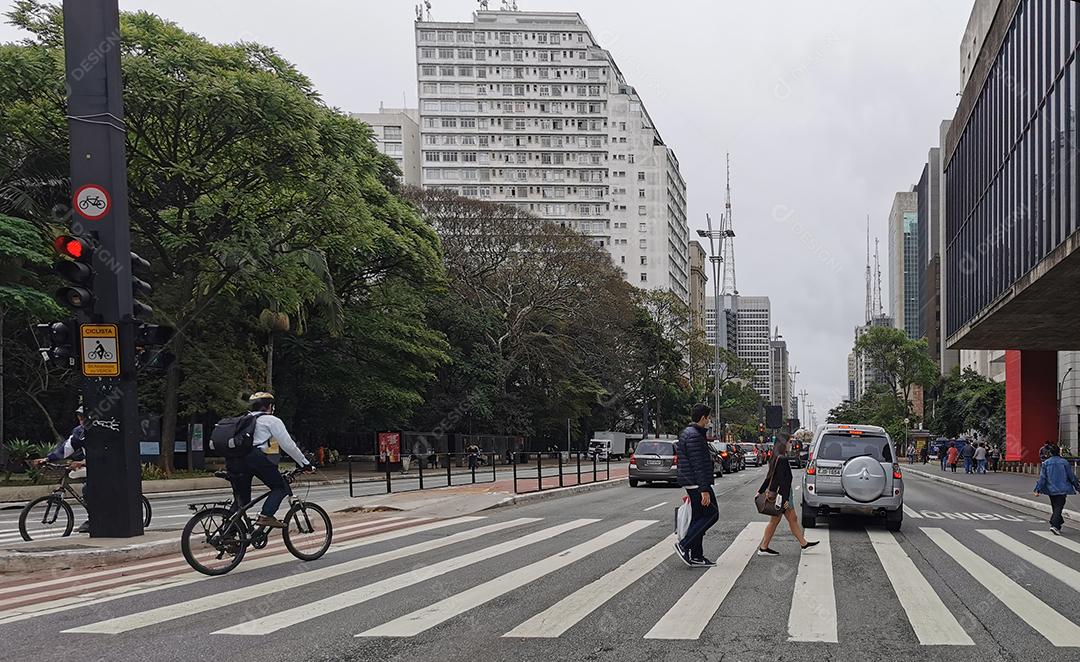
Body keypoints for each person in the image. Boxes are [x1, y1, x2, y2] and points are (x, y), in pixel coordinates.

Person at [226, 392, 313, 529]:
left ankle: (227, 535)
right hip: (254, 457)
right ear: (270, 406)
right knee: (281, 487)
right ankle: (265, 516)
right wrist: (305, 463)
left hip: (233, 459)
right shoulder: (271, 420)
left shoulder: (243, 419)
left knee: (242, 500)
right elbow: (288, 445)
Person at [674, 404, 720, 568]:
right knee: (712, 514)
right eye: (708, 418)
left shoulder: (688, 433)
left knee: (699, 517)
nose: (709, 421)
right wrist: (704, 489)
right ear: (703, 418)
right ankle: (684, 545)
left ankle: (697, 556)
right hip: (696, 483)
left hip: (692, 482)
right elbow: (698, 465)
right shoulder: (695, 436)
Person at [756, 438, 818, 556]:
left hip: (781, 492)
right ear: (783, 444)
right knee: (781, 519)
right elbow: (784, 480)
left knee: (786, 519)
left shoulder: (776, 457)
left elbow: (770, 477)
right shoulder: (782, 459)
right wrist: (783, 499)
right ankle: (764, 547)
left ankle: (802, 544)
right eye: (789, 442)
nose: (791, 445)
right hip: (783, 493)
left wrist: (761, 491)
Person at [32, 407, 90, 532]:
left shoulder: (102, 431)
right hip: (90, 465)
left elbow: (104, 453)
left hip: (107, 465)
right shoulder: (79, 432)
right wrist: (47, 459)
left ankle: (96, 517)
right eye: (79, 418)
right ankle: (93, 517)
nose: (81, 421)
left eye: (83, 418)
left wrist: (82, 462)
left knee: (90, 488)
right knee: (85, 485)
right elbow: (66, 449)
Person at [1034, 444, 1080, 535]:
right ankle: (1054, 525)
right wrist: (1077, 487)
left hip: (1051, 489)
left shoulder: (1046, 463)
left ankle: (1058, 524)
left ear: (1050, 453)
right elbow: (1071, 476)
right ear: (1059, 452)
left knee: (1055, 507)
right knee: (1058, 507)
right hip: (1062, 489)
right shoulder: (1064, 462)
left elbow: (1043, 478)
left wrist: (1037, 489)